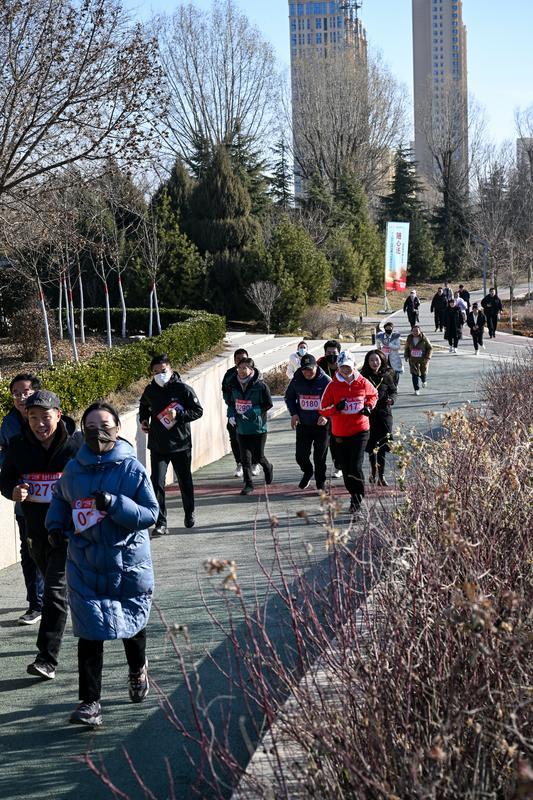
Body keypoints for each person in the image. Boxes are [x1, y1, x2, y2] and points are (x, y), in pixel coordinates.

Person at [46, 402, 159, 727]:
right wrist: (55, 526)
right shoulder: (73, 469)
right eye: (92, 428)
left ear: (118, 428)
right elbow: (60, 499)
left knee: (132, 626)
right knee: (90, 633)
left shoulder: (132, 469)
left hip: (128, 564)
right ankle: (89, 702)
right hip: (85, 563)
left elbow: (150, 513)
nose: (99, 433)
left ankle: (137, 670)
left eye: (105, 426)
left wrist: (114, 503)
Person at [0, 390, 81, 680]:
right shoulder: (19, 445)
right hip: (35, 531)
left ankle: (46, 658)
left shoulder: (77, 444)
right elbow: (5, 477)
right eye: (33, 417)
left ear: (58, 415)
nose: (39, 423)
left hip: (69, 531)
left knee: (54, 591)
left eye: (45, 417)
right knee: (57, 590)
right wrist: (13, 490)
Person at [139, 353, 203, 535]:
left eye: (163, 370)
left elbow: (198, 411)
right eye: (155, 372)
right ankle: (161, 522)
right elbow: (143, 406)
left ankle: (189, 512)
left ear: (170, 369)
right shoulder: (150, 390)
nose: (160, 374)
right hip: (158, 445)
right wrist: (144, 420)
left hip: (180, 444)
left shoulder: (183, 389)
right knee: (157, 482)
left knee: (185, 480)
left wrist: (179, 415)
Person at [0, 373, 44, 625]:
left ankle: (62, 594)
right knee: (29, 550)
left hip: (55, 500)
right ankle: (36, 604)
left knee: (60, 549)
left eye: (25, 392)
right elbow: (3, 454)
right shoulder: (8, 424)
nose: (20, 397)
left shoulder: (52, 416)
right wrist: (13, 474)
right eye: (16, 393)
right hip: (25, 499)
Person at [319, 351, 378, 514]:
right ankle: (353, 493)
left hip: (360, 430)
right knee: (345, 467)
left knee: (355, 465)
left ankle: (357, 498)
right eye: (342, 367)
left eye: (348, 367)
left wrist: (368, 407)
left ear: (354, 366)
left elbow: (373, 395)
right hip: (340, 432)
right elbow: (322, 409)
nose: (345, 370)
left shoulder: (362, 382)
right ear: (338, 367)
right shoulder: (332, 386)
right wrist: (336, 408)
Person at [225, 357, 274, 495]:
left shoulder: (261, 386)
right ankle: (248, 484)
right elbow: (231, 403)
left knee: (258, 457)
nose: (241, 371)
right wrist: (231, 415)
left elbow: (268, 404)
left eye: (244, 368)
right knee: (245, 459)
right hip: (241, 428)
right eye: (239, 368)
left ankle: (268, 467)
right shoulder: (233, 384)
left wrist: (253, 412)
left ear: (251, 369)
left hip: (258, 428)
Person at [284, 353, 331, 491]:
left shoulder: (326, 381)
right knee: (300, 456)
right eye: (304, 369)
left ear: (316, 367)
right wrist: (294, 413)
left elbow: (335, 401)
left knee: (319, 457)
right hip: (304, 424)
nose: (307, 372)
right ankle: (308, 471)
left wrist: (326, 415)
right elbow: (289, 397)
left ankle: (320, 483)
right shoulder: (297, 379)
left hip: (321, 425)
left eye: (310, 369)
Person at [359, 350, 397, 486]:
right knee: (371, 446)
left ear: (381, 361)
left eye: (377, 360)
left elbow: (393, 391)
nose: (374, 363)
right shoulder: (363, 377)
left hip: (384, 415)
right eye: (371, 360)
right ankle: (373, 473)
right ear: (367, 362)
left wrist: (392, 399)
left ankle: (381, 476)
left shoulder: (387, 376)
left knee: (382, 446)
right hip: (369, 415)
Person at [316, 340, 343, 477]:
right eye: (328, 353)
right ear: (325, 353)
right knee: (325, 440)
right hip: (324, 408)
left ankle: (339, 466)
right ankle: (323, 468)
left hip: (340, 409)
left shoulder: (344, 366)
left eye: (334, 353)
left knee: (337, 440)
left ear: (339, 353)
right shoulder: (318, 367)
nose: (331, 355)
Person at [404, 325, 433, 395]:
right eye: (413, 331)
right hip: (413, 359)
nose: (415, 332)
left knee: (423, 372)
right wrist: (406, 356)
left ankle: (424, 380)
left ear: (420, 331)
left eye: (417, 331)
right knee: (414, 374)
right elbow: (406, 348)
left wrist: (427, 357)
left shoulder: (424, 338)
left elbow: (430, 348)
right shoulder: (409, 338)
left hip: (423, 359)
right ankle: (416, 389)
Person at [375, 321, 403, 385]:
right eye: (387, 328)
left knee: (395, 371)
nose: (388, 330)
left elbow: (398, 347)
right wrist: (379, 349)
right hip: (384, 356)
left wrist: (390, 345)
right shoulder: (381, 336)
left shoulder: (395, 337)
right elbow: (378, 343)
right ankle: (389, 384)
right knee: (386, 371)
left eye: (390, 328)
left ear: (392, 329)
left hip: (394, 357)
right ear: (384, 329)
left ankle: (395, 384)